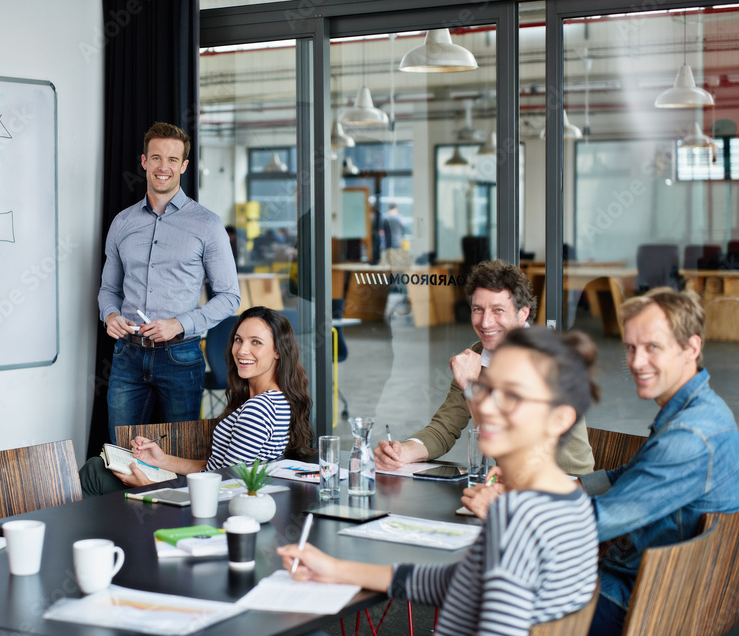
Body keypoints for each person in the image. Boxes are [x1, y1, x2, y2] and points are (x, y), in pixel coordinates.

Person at [279, 326, 600, 634]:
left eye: (512, 396)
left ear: (561, 418)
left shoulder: (517, 518)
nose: (486, 405)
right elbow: (459, 581)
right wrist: (336, 569)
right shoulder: (571, 506)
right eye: (485, 388)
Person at [462, 288, 739, 636]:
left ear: (691, 348)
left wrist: (511, 508)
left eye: (652, 347)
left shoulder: (689, 435)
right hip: (661, 587)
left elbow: (593, 524)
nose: (636, 362)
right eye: (631, 347)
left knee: (486, 598)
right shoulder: (699, 411)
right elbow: (628, 475)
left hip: (640, 599)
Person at [375, 259, 594, 475]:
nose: (485, 322)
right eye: (478, 309)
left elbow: (511, 447)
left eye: (498, 310)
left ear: (523, 313)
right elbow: (445, 428)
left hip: (565, 486)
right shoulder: (479, 354)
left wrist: (470, 387)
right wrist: (403, 451)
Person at [98, 122, 241, 442]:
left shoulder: (207, 224)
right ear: (144, 162)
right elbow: (109, 289)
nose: (164, 167)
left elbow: (230, 297)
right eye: (157, 158)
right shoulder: (122, 223)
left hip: (181, 356)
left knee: (181, 455)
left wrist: (179, 323)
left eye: (173, 160)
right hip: (127, 357)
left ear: (184, 166)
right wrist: (110, 315)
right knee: (123, 455)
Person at [80, 306, 311, 497]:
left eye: (256, 342)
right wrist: (161, 459)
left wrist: (149, 487)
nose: (242, 350)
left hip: (202, 504)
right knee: (98, 466)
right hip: (204, 489)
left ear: (278, 351)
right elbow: (218, 470)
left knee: (94, 471)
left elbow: (224, 489)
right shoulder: (274, 400)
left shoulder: (257, 410)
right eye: (239, 340)